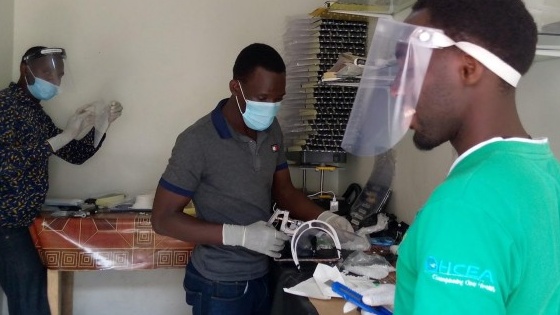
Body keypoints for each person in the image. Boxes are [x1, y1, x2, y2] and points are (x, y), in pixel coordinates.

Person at [348, 0, 560, 313]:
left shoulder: (464, 203)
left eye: (410, 66)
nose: (395, 89)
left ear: (468, 69)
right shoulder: (543, 173)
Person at [151, 43, 353, 315]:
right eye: (262, 98)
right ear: (236, 87)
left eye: (277, 99)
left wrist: (326, 220)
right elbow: (162, 219)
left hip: (263, 272)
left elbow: (284, 191)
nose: (270, 108)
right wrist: (241, 235)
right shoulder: (197, 141)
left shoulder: (271, 130)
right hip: (220, 284)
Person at [0, 46, 123, 315]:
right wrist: (62, 137)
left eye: (59, 75)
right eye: (47, 72)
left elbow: (74, 155)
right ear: (25, 69)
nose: (54, 81)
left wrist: (102, 125)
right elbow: (6, 162)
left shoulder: (35, 112)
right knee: (30, 299)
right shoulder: (5, 105)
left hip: (20, 222)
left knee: (30, 296)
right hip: (5, 222)